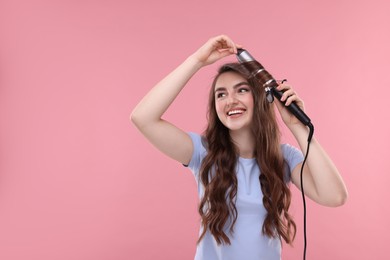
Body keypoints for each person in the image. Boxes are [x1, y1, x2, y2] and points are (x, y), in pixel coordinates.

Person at [130, 35, 348, 260]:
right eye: (221, 94)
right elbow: (143, 117)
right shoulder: (203, 153)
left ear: (261, 97)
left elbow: (335, 196)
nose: (230, 100)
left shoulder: (283, 157)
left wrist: (298, 127)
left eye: (241, 90)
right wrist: (196, 61)